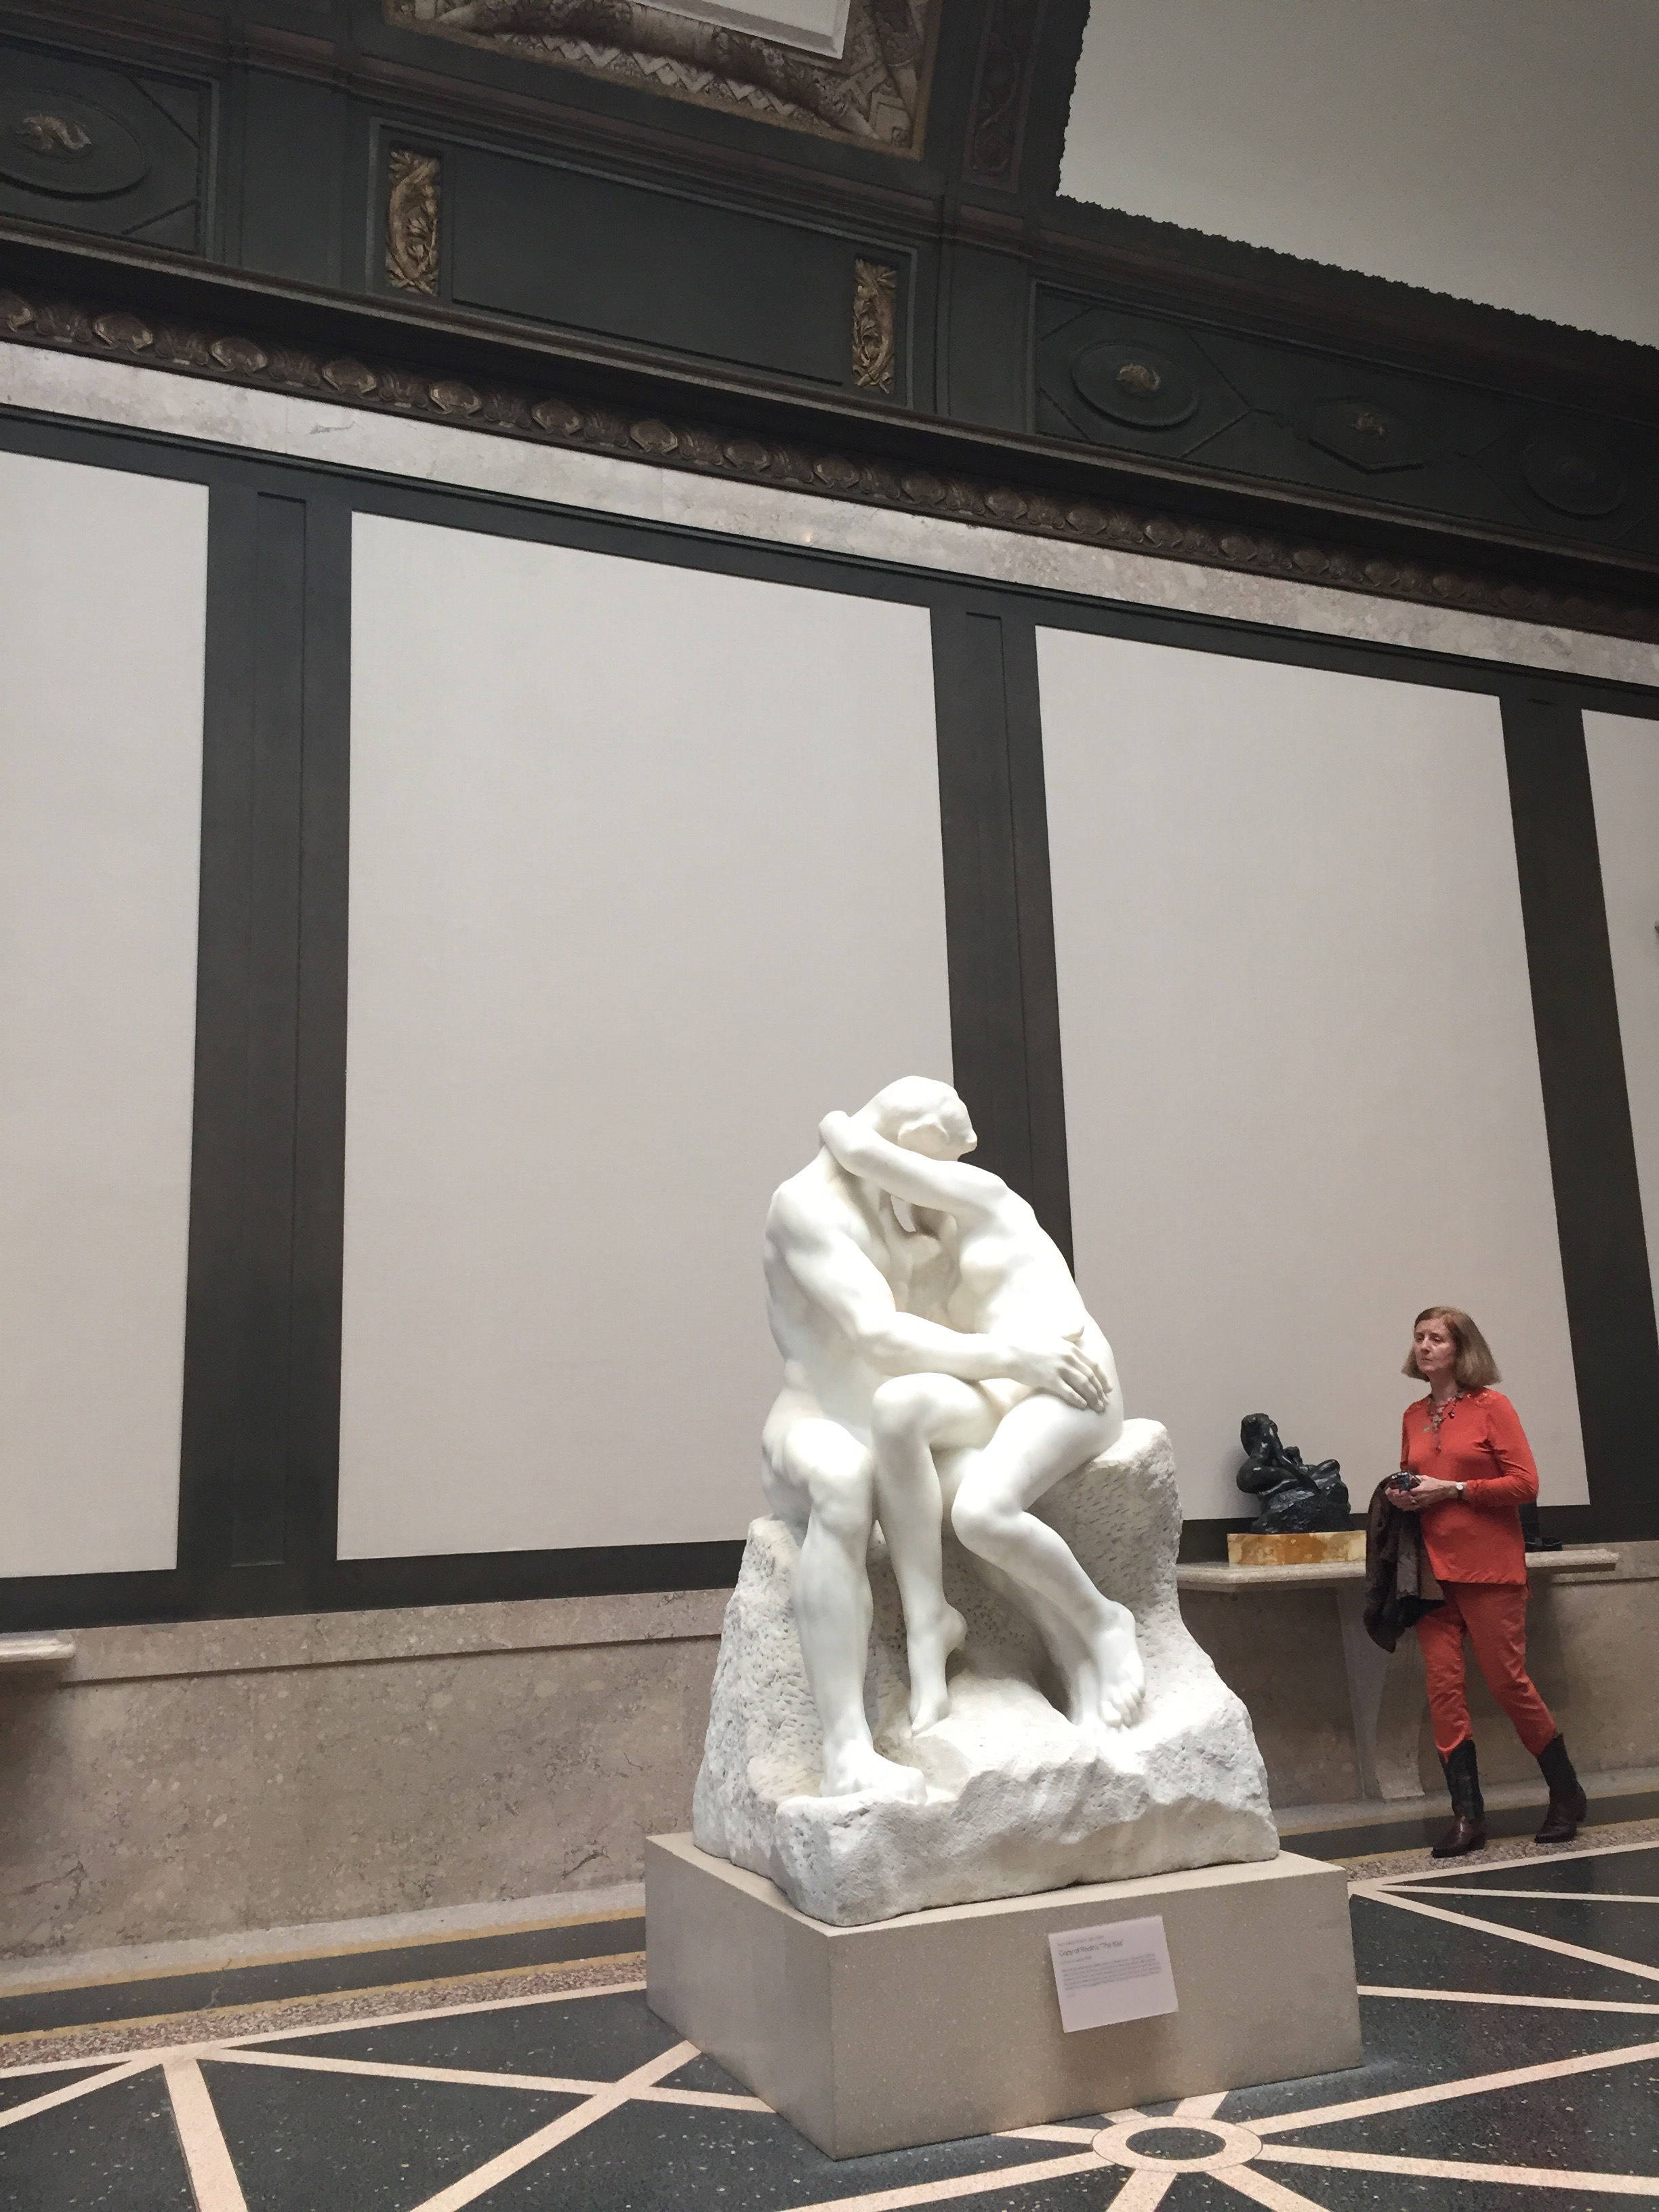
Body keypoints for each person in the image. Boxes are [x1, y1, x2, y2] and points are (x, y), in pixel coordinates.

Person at [762, 1078, 1111, 1800]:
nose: (947, 1172)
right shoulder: (805, 1207)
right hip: (818, 1421)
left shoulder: (904, 1216)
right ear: (911, 1135)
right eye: (945, 1152)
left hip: (901, 1425)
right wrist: (1016, 1357)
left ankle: (1077, 1652)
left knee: (982, 1502)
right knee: (845, 1480)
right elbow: (880, 1336)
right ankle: (845, 1749)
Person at [817, 1108, 1141, 1738]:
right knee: (899, 1408)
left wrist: (838, 1119)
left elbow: (858, 1149)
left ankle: (1105, 1622)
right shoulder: (925, 1250)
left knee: (980, 1513)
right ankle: (928, 1623)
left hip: (1072, 1378)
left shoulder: (984, 1194)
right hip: (1008, 1388)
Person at [1387, 1306, 1586, 1858]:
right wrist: (1405, 1494)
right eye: (1419, 1337)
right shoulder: (1413, 1414)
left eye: (1436, 1338)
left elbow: (1525, 1484)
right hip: (1432, 1573)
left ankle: (1567, 1794)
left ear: (1462, 1349)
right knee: (1443, 1690)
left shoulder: (1492, 1408)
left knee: (1507, 1683)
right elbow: (1416, 1478)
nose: (1424, 1347)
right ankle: (1468, 1816)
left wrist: (1454, 1490)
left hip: (1488, 1570)